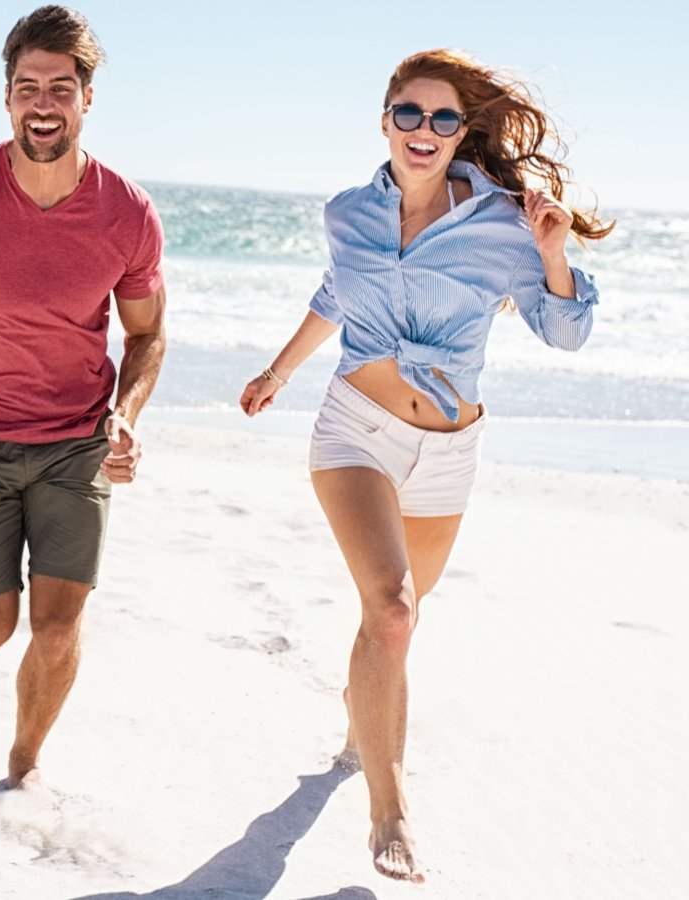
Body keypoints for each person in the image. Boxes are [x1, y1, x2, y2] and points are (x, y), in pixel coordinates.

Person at [239, 49, 612, 883]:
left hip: (449, 451)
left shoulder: (505, 224)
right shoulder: (348, 215)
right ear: (385, 122)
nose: (425, 130)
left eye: (444, 119)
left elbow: (567, 332)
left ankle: (357, 720)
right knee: (394, 609)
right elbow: (338, 294)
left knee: (393, 624)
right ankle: (389, 811)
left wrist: (552, 257)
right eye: (409, 113)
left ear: (461, 133)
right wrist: (279, 371)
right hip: (355, 430)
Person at [0, 4, 167, 792]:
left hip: (76, 444)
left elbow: (147, 335)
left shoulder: (127, 212)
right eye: (27, 88)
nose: (42, 104)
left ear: (86, 98)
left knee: (57, 627)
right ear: (7, 97)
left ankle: (23, 761)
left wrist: (126, 413)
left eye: (59, 88)